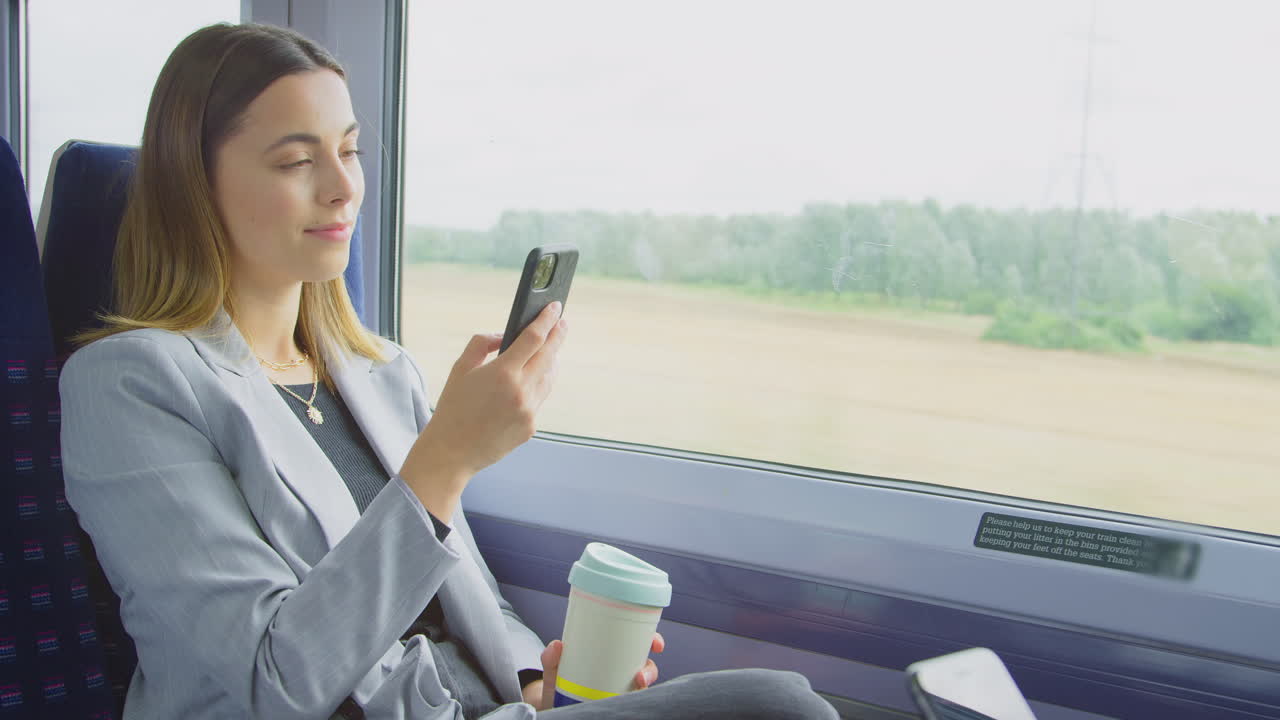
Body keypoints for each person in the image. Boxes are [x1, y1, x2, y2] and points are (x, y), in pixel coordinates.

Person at [59, 22, 838, 720]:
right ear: (197, 184)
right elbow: (274, 682)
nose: (342, 186)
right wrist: (448, 457)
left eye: (350, 149)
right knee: (778, 705)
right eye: (298, 159)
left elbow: (468, 600)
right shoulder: (130, 386)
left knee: (786, 701)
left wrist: (538, 679)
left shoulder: (381, 371)